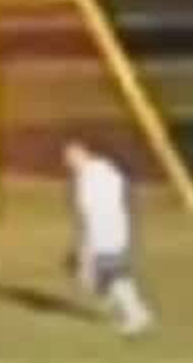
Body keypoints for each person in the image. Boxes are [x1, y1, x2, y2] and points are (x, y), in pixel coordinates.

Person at [63, 140, 154, 335]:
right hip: (113, 230)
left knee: (112, 275)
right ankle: (120, 304)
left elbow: (91, 211)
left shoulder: (91, 177)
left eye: (72, 156)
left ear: (84, 153)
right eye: (68, 157)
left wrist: (87, 243)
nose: (69, 161)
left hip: (105, 233)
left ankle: (136, 314)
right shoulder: (102, 172)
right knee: (104, 275)